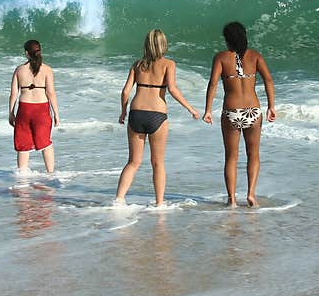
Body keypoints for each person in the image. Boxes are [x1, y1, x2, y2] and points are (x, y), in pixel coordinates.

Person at [115, 29, 199, 206]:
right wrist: (191, 108)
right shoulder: (169, 64)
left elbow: (125, 92)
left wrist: (123, 112)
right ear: (163, 44)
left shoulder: (137, 65)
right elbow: (173, 89)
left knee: (133, 162)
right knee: (158, 163)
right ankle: (160, 204)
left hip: (136, 113)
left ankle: (119, 199)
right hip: (157, 115)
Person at [203, 21, 275, 207]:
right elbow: (268, 79)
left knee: (231, 157)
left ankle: (232, 200)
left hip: (231, 112)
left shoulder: (221, 57)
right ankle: (251, 194)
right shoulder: (255, 56)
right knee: (254, 155)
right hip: (253, 111)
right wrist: (271, 106)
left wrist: (208, 110)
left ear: (227, 39)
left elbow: (213, 84)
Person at [8, 39, 60, 173]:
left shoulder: (19, 70)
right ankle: (50, 174)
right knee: (46, 143)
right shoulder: (47, 70)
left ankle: (22, 176)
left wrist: (11, 112)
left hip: (24, 109)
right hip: (41, 109)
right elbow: (51, 93)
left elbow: (14, 93)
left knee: (23, 145)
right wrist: (56, 114)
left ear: (26, 53)